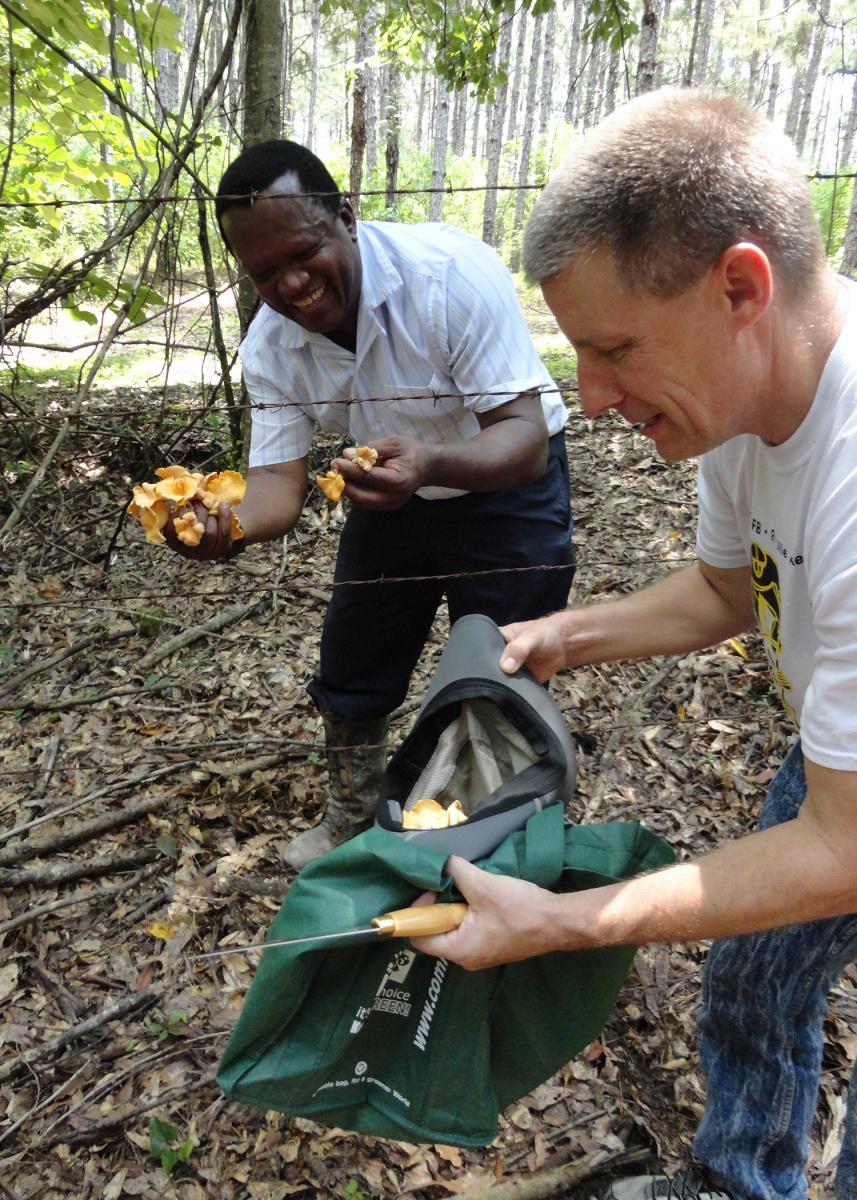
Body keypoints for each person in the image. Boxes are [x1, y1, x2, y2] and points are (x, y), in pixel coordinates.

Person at [411, 87, 857, 1200]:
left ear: (739, 287)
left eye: (611, 350)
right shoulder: (737, 404)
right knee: (756, 970)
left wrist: (563, 922)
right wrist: (565, 633)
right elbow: (720, 592)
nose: (592, 400)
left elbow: (843, 849)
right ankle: (736, 1177)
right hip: (835, 754)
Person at [165, 139, 575, 869]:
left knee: (503, 661)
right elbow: (276, 491)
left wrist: (430, 465)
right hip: (391, 492)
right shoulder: (272, 347)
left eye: (303, 253)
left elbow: (525, 437)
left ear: (345, 218)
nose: (292, 286)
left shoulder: (447, 278)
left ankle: (489, 832)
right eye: (265, 274)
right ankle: (351, 814)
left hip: (502, 480)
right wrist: (221, 530)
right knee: (356, 653)